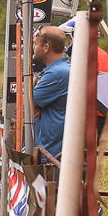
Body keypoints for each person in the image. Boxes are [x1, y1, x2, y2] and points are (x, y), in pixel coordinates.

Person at [60, 18, 108, 143]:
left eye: (70, 38)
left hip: (94, 117)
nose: (69, 43)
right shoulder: (85, 55)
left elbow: (104, 98)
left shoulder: (99, 58)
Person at [31, 25, 70, 161]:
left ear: (46, 47)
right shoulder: (59, 70)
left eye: (36, 44)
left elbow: (27, 103)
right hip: (54, 148)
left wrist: (36, 105)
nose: (34, 48)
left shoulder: (56, 74)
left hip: (52, 152)